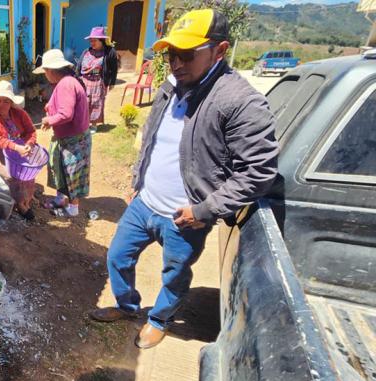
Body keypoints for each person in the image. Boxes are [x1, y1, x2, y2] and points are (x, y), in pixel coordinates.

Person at [88, 10, 279, 349]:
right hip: (144, 201)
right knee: (117, 256)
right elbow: (152, 135)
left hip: (185, 217)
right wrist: (139, 180)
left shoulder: (239, 101)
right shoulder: (172, 84)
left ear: (219, 51)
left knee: (174, 274)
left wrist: (205, 210)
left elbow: (259, 171)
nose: (176, 63)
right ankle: (127, 306)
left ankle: (159, 319)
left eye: (187, 54)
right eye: (171, 54)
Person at [34, 49, 91, 217]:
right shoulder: (66, 82)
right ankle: (61, 198)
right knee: (59, 167)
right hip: (67, 137)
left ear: (50, 71)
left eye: (45, 72)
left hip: (74, 141)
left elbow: (66, 114)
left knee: (72, 172)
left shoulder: (66, 84)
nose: (45, 75)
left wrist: (48, 120)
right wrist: (50, 112)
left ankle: (73, 208)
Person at [0, 80, 38, 220]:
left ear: (11, 102)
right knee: (13, 176)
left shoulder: (20, 114)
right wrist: (16, 147)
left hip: (17, 154)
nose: (2, 104)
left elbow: (31, 131)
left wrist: (29, 144)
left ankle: (28, 198)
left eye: (6, 101)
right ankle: (21, 205)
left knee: (29, 171)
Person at [76, 27, 119, 128]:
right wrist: (76, 78)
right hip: (85, 82)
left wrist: (112, 82)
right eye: (91, 41)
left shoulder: (110, 52)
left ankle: (94, 125)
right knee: (84, 103)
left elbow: (114, 68)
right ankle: (84, 124)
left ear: (101, 40)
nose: (92, 43)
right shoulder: (86, 51)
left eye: (94, 41)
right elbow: (79, 66)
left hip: (98, 82)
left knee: (96, 103)